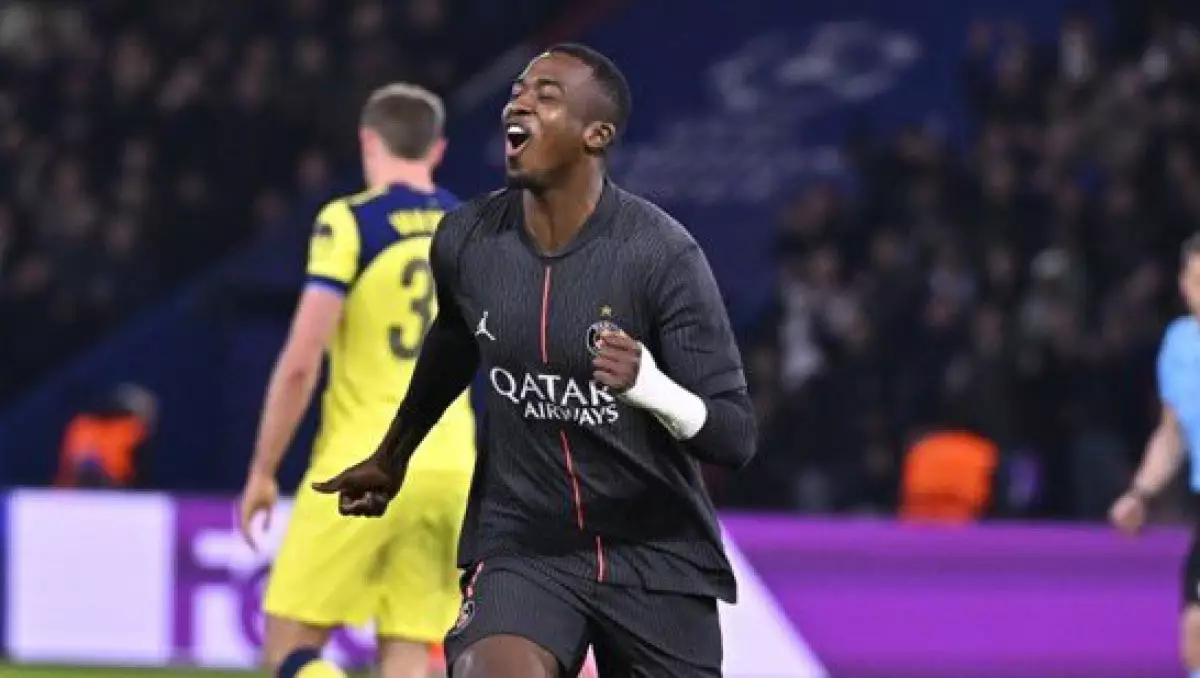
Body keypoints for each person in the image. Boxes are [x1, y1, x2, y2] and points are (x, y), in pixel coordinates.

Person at [313, 44, 757, 678]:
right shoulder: (468, 240)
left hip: (654, 555)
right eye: (518, 91)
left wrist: (652, 387)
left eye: (546, 96)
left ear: (596, 135)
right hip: (524, 546)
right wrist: (392, 455)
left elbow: (734, 436)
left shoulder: (662, 255)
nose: (518, 104)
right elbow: (453, 342)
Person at [239, 83, 476, 678]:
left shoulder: (349, 222)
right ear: (438, 148)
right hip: (450, 466)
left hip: (362, 461)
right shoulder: (470, 228)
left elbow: (301, 362)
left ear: (368, 140)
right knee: (408, 652)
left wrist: (263, 470)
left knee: (287, 648)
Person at [1110, 233, 1200, 678]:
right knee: (1195, 632)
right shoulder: (1180, 345)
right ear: (1184, 285)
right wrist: (1141, 493)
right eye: (1198, 281)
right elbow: (1172, 433)